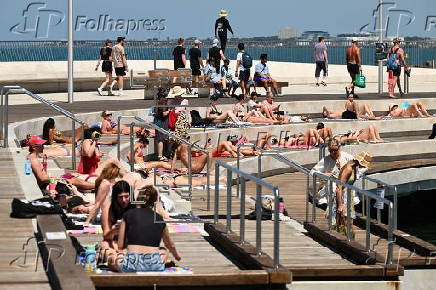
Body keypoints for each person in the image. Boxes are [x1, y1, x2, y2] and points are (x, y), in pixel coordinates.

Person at [114, 185, 181, 272]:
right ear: (154, 202)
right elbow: (169, 244)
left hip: (132, 264)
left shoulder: (128, 214)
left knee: (115, 256)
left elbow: (120, 245)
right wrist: (177, 256)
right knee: (164, 251)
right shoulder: (159, 218)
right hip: (153, 265)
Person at [334, 152, 372, 234]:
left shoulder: (353, 166)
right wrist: (340, 204)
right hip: (343, 196)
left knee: (346, 222)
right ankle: (345, 239)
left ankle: (345, 238)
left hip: (348, 195)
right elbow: (339, 188)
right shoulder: (349, 168)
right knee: (346, 222)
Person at [99, 180, 134, 254]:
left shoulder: (135, 207)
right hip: (115, 241)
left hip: (132, 242)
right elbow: (106, 236)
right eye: (120, 197)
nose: (124, 200)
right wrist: (114, 231)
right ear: (115, 197)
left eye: (126, 196)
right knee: (104, 245)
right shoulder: (108, 210)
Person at [153, 91, 170, 161]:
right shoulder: (161, 104)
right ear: (161, 98)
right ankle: (160, 155)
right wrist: (170, 111)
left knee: (163, 138)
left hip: (160, 122)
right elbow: (164, 114)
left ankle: (163, 154)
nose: (166, 99)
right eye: (165, 97)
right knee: (161, 139)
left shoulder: (157, 103)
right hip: (161, 122)